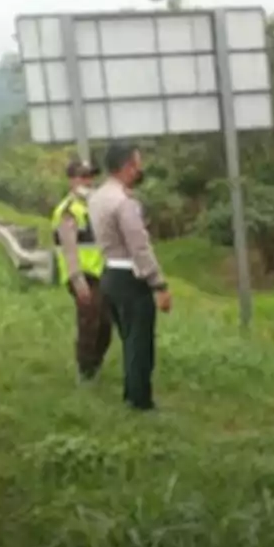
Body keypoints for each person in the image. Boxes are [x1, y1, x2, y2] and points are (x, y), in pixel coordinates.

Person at [87, 142, 172, 411]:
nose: (140, 169)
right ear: (127, 167)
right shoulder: (125, 203)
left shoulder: (97, 197)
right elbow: (139, 246)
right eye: (137, 164)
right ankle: (140, 401)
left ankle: (131, 393)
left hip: (109, 274)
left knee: (128, 340)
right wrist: (158, 283)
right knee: (139, 343)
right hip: (130, 277)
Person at [51, 160, 111, 383]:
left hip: (100, 272)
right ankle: (85, 371)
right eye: (82, 176)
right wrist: (77, 281)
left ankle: (94, 364)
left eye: (90, 176)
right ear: (72, 180)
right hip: (81, 275)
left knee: (105, 323)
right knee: (90, 320)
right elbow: (69, 249)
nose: (88, 181)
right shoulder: (69, 211)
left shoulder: (93, 207)